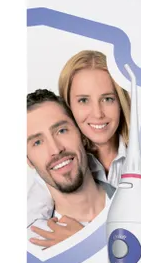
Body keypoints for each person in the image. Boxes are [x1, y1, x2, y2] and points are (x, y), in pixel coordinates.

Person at [27, 51, 132, 243]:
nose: (98, 114)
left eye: (107, 99)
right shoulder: (58, 167)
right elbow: (30, 223)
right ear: (70, 108)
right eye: (83, 100)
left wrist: (85, 239)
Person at [26, 90, 113, 248]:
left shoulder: (137, 204)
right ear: (28, 161)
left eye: (61, 131)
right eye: (37, 142)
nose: (55, 149)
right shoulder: (34, 248)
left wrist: (86, 244)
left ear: (82, 134)